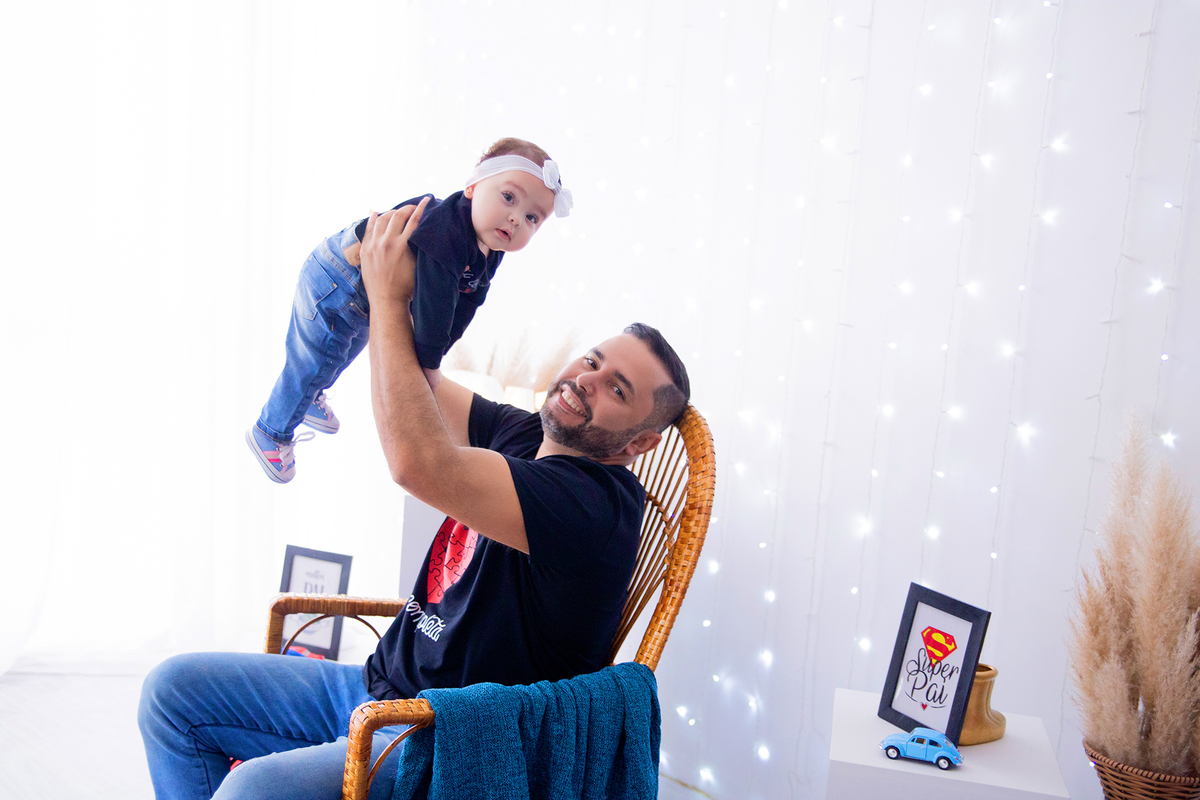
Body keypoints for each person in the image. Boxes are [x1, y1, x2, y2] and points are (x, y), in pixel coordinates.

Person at [139, 202, 691, 799]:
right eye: (593, 360)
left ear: (639, 443)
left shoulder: (592, 507)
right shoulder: (526, 433)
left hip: (438, 740)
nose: (586, 379)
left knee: (255, 791)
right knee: (172, 693)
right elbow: (420, 381)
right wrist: (408, 277)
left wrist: (387, 299)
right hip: (373, 692)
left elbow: (417, 464)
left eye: (616, 389)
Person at [246, 137, 573, 484]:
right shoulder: (448, 231)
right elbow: (434, 308)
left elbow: (467, 303)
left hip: (367, 294)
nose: (516, 218)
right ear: (473, 186)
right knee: (316, 358)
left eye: (532, 217)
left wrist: (438, 355)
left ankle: (309, 395)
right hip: (339, 278)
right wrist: (428, 365)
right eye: (508, 197)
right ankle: (270, 432)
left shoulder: (489, 250)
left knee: (343, 352)